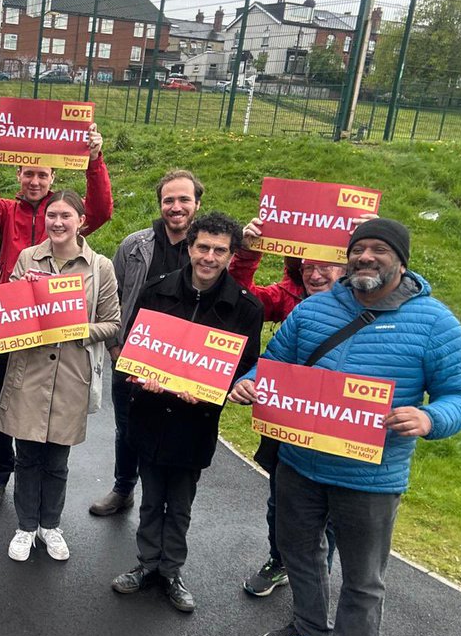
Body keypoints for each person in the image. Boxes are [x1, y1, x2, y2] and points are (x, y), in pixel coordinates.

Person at [229, 218, 461, 636]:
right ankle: (310, 630)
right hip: (300, 462)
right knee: (300, 553)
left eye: (378, 251)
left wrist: (430, 417)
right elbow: (275, 363)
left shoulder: (434, 322)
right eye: (358, 250)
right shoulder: (316, 309)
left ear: (400, 261)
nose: (366, 258)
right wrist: (251, 382)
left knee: (364, 579)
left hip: (371, 477)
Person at [111, 212, 262, 612]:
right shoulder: (156, 290)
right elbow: (133, 345)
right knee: (149, 498)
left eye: (219, 250)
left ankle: (171, 571)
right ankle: (146, 565)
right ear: (190, 248)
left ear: (232, 255)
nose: (209, 257)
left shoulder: (246, 308)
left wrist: (220, 390)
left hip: (195, 423)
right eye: (202, 247)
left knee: (179, 503)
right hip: (149, 412)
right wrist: (142, 375)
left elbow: (245, 364)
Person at [0, 121, 114, 510]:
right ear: (18, 174)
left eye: (42, 174)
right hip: (12, 326)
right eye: (28, 173)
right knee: (2, 399)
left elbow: (100, 209)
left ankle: (36, 482)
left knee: (48, 406)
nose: (35, 180)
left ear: (53, 176)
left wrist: (95, 160)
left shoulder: (64, 213)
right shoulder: (6, 213)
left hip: (60, 334)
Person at [0, 190, 120, 562]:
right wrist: (23, 292)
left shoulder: (100, 267)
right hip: (29, 371)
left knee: (57, 461)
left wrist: (77, 329)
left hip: (71, 375)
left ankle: (51, 525)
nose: (58, 223)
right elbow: (10, 311)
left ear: (81, 220)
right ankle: (25, 526)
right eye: (52, 216)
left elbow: (112, 323)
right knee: (27, 455)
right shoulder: (28, 257)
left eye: (66, 215)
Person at [229, 217, 347, 597]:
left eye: (326, 264)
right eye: (309, 265)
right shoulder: (290, 298)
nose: (316, 273)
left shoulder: (366, 304)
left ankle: (315, 586)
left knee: (327, 517)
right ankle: (279, 561)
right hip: (287, 426)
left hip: (337, 430)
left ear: (346, 266)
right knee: (280, 501)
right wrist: (247, 252)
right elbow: (241, 298)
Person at [90, 169, 203, 518]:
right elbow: (114, 298)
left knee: (175, 434)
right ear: (160, 204)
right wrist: (114, 349)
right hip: (132, 359)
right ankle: (123, 489)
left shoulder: (207, 249)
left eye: (184, 199)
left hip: (184, 362)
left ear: (197, 204)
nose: (176, 206)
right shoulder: (134, 246)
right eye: (169, 199)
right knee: (127, 429)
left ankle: (166, 505)